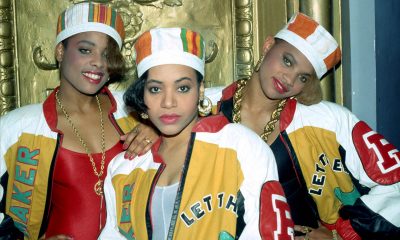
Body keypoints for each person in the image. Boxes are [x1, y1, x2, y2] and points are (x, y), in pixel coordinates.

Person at [216, 12, 400, 239]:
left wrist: (341, 234)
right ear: (267, 45)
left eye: (303, 77)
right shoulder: (204, 109)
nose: (289, 79)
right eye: (287, 61)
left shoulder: (326, 121)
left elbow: (395, 183)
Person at [99, 27, 295, 240]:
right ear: (143, 94)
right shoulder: (124, 168)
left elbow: (268, 232)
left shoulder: (241, 147)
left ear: (201, 90)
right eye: (155, 89)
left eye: (182, 88)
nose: (168, 102)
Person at [0, 2, 157, 239]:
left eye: (106, 54)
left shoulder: (134, 113)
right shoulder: (19, 127)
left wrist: (160, 129)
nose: (98, 62)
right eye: (86, 50)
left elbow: (216, 105)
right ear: (60, 51)